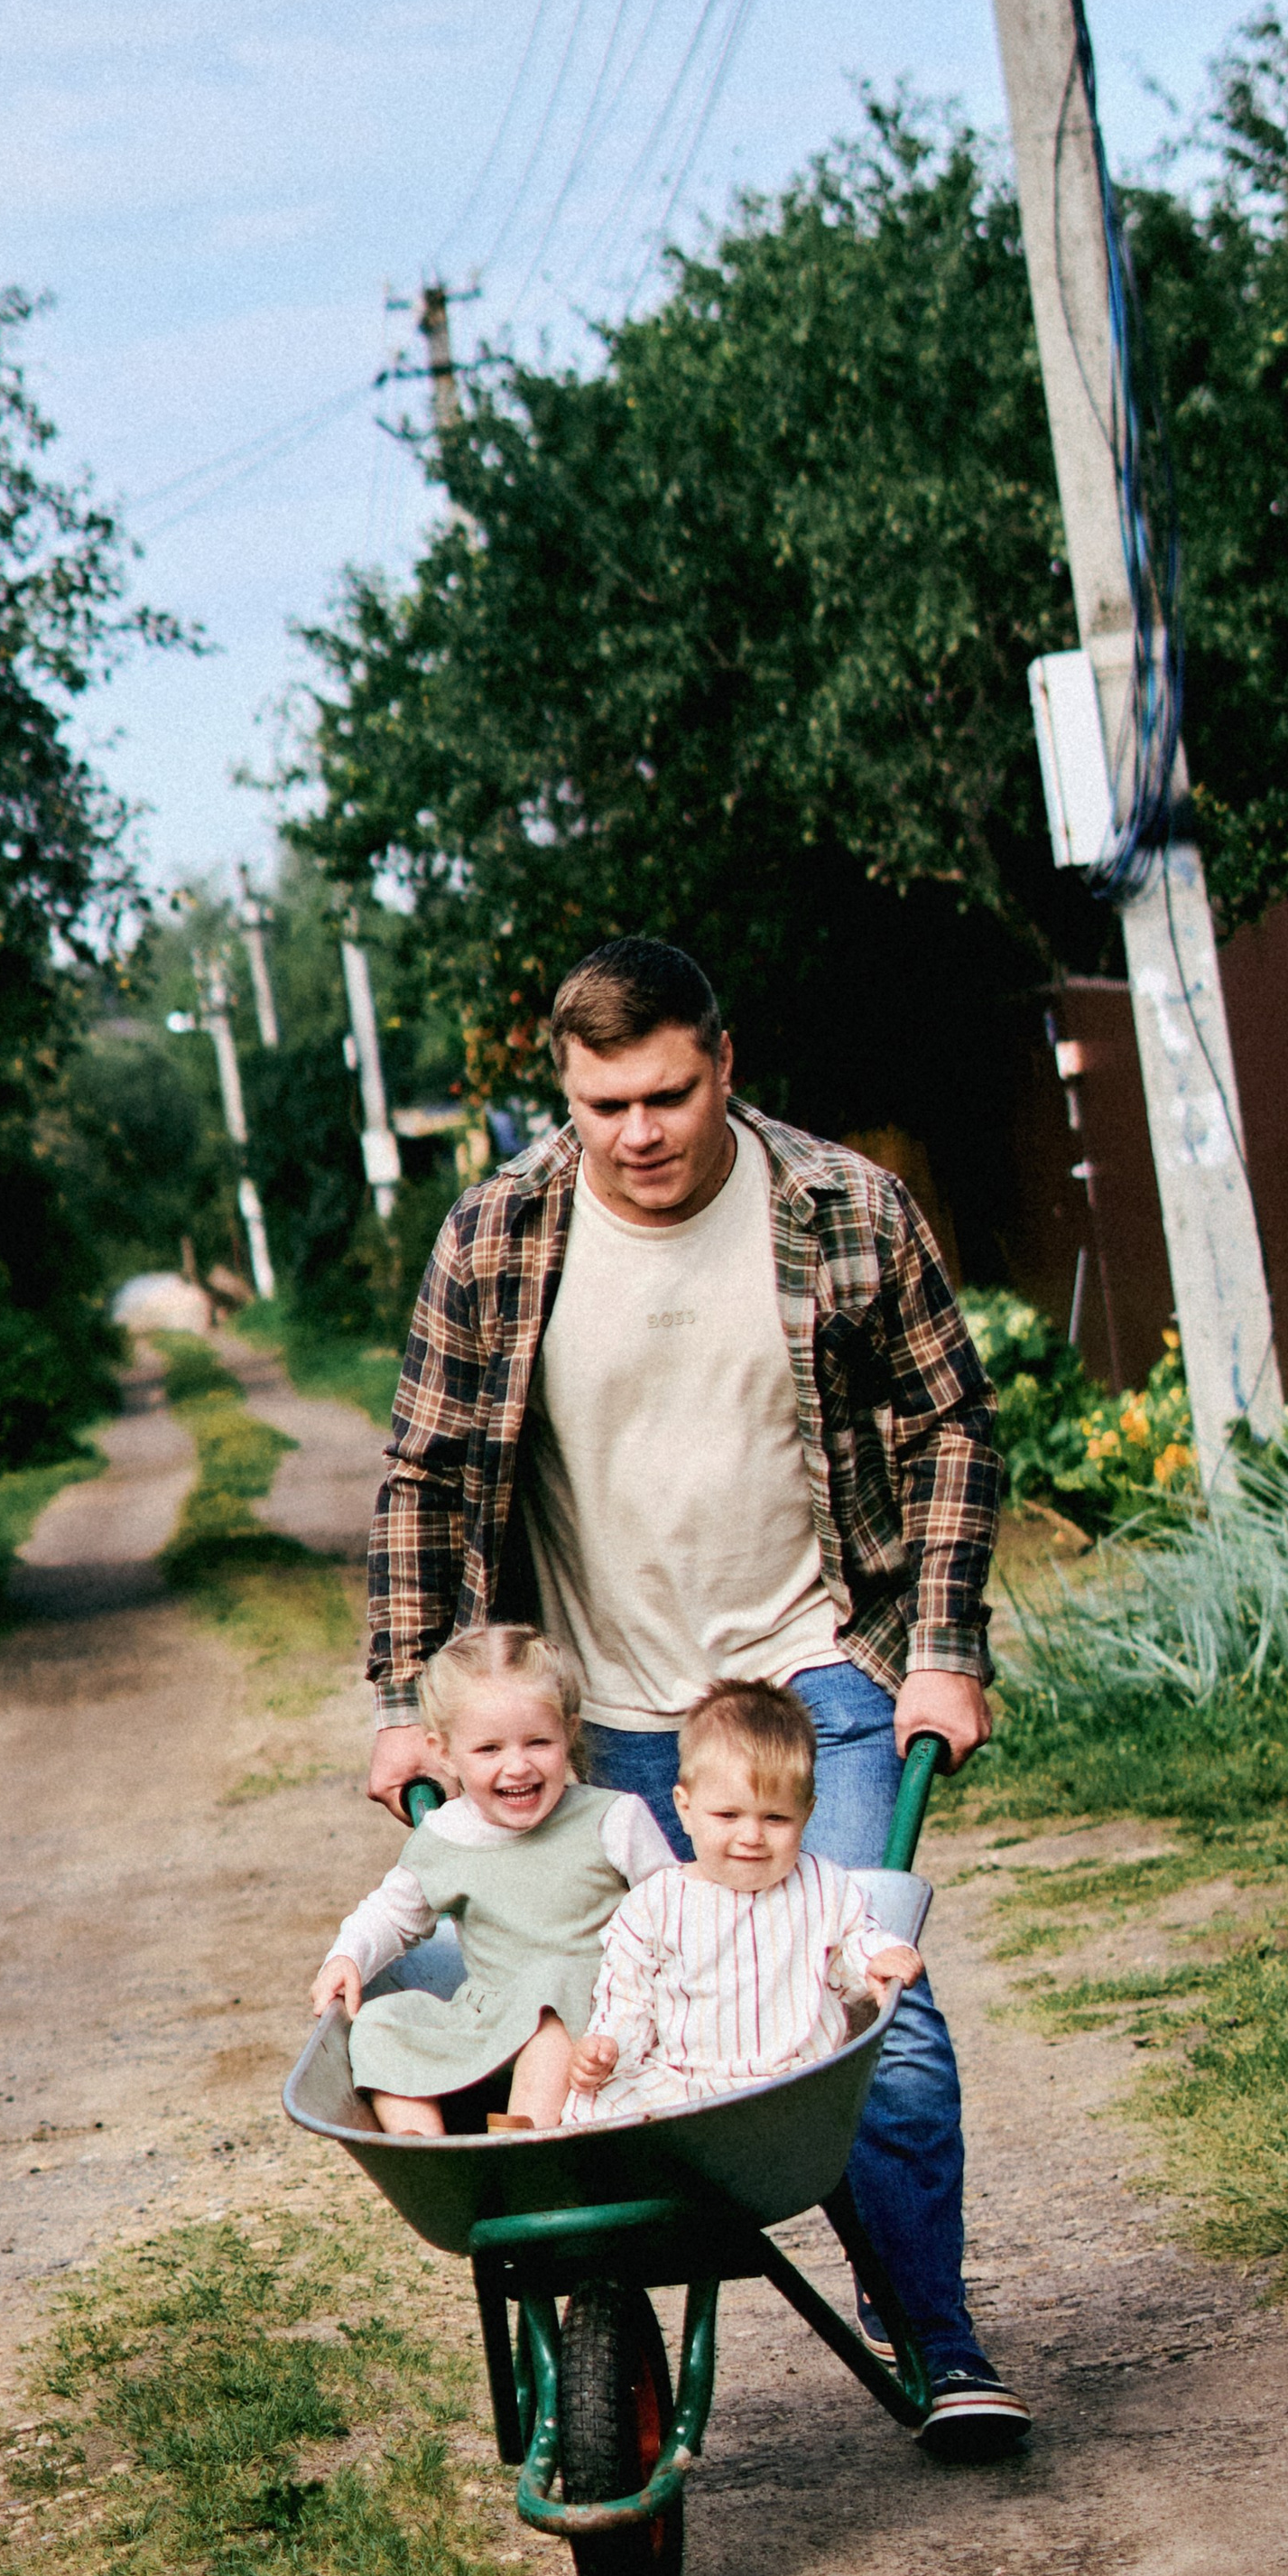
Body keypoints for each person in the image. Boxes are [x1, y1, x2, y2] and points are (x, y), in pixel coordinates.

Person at [364, 935, 1031, 2460]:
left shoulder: (842, 1206)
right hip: (595, 1715)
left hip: (814, 1673)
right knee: (590, 2039)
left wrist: (942, 1643)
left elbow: (951, 1427)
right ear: (567, 1090)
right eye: (607, 1103)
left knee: (872, 2003)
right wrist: (413, 1696)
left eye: (669, 1092)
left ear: (723, 1063)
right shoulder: (500, 1231)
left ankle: (936, 2330)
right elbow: (425, 1469)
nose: (641, 1133)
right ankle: (610, 2352)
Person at [313, 1623, 672, 2134]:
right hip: (486, 2021)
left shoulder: (613, 1820)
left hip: (596, 2024)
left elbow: (677, 1912)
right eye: (489, 1750)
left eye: (539, 1742)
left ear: (570, 1733)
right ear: (444, 1753)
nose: (517, 1766)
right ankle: (424, 2149)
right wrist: (347, 1955)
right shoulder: (445, 1835)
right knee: (379, 2022)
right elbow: (392, 1914)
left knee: (554, 1982)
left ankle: (522, 2145)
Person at [566, 1679, 922, 2127]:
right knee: (595, 2103)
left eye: (775, 1818)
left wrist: (877, 1957)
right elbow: (628, 2000)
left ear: (807, 1814)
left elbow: (853, 1945)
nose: (751, 1837)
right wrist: (608, 2046)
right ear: (685, 1807)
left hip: (789, 2084)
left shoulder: (822, 1886)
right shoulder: (653, 1904)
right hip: (683, 2082)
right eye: (728, 1816)